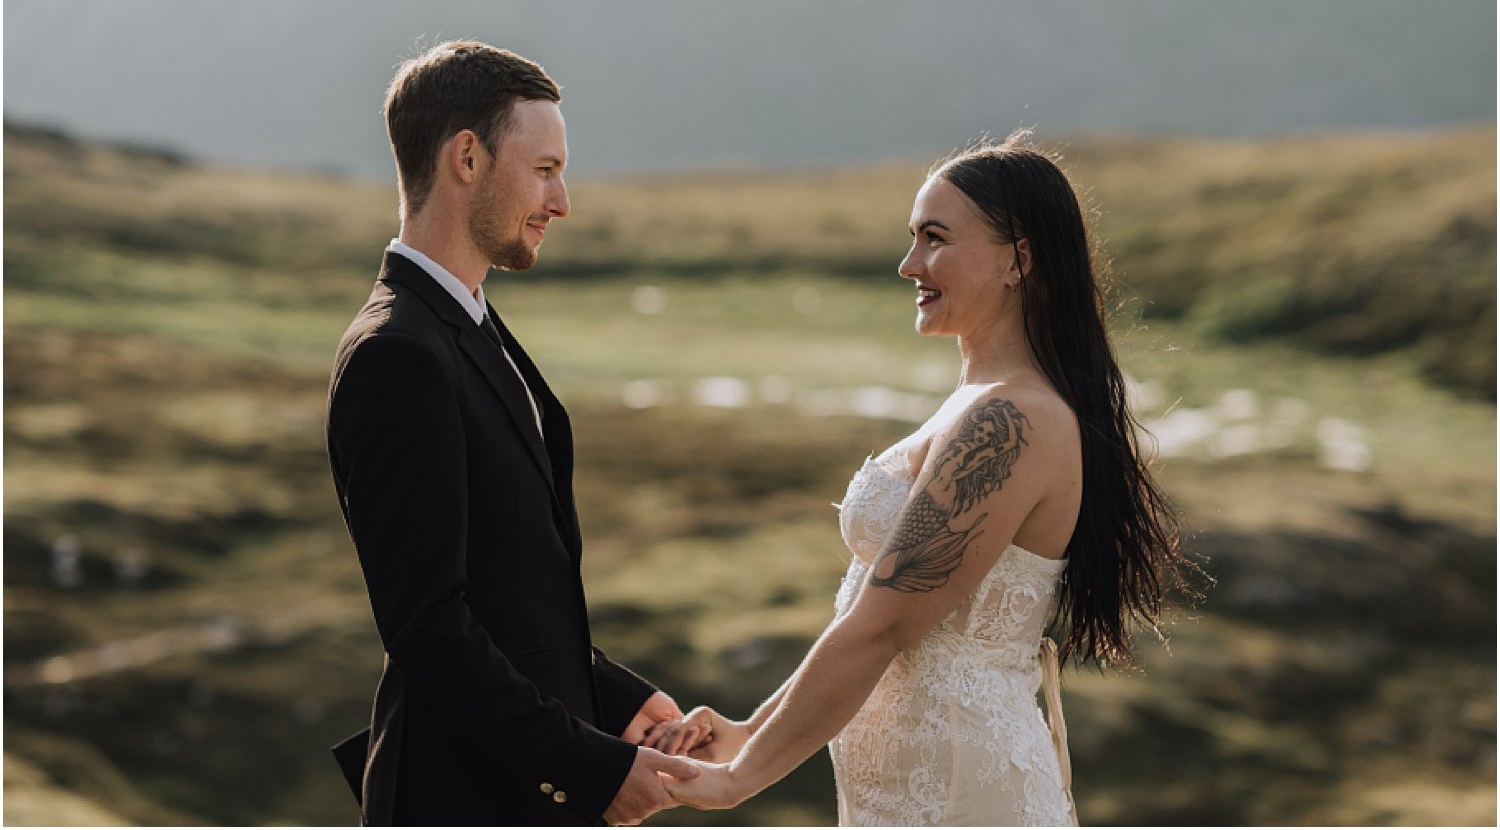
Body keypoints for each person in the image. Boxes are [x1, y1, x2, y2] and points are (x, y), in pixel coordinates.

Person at [649, 132, 1193, 825]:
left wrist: (739, 779)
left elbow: (882, 627)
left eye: (935, 239)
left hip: (965, 796)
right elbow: (864, 615)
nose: (909, 264)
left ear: (1017, 259)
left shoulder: (1014, 419)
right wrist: (749, 730)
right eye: (913, 238)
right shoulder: (980, 401)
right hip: (900, 797)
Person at [325, 40, 702, 826]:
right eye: (543, 170)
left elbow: (509, 590)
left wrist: (613, 697)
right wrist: (589, 766)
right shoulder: (396, 355)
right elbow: (429, 628)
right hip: (462, 800)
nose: (561, 200)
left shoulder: (467, 321)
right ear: (467, 156)